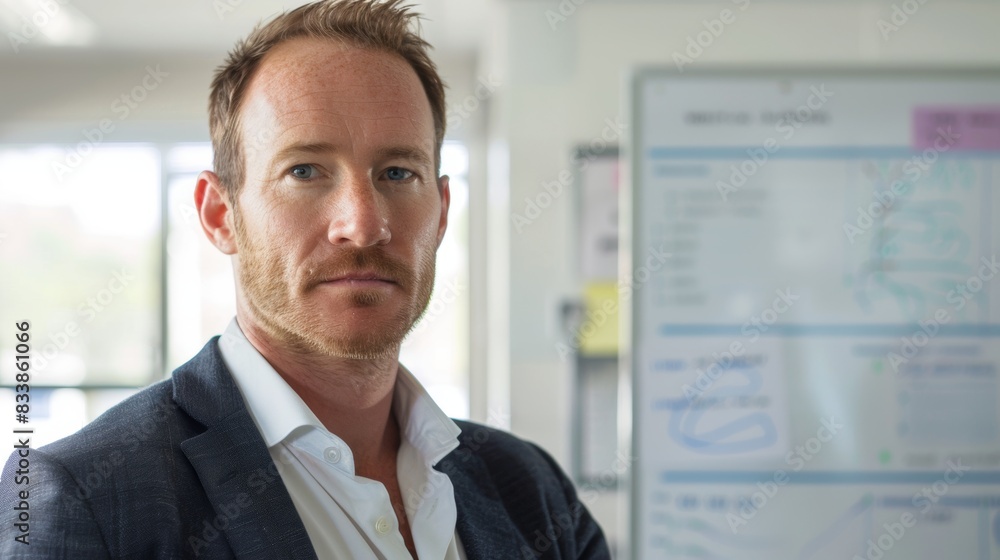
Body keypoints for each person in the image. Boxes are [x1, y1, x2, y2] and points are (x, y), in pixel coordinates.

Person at [0, 1, 611, 558]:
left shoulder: (534, 492)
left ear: (443, 212)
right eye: (305, 171)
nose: (363, 225)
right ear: (220, 215)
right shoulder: (86, 499)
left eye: (398, 173)